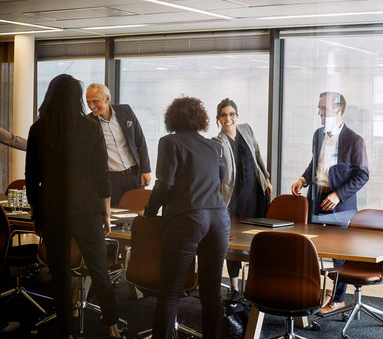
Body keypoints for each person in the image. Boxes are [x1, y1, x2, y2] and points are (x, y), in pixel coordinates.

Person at [25, 74, 124, 339]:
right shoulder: (90, 127)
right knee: (99, 270)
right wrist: (106, 213)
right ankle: (112, 328)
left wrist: (36, 213)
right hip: (87, 208)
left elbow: (32, 177)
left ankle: (66, 333)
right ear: (77, 97)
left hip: (52, 211)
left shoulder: (39, 129)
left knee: (59, 273)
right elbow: (101, 174)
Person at [144, 97, 229, 339]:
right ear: (200, 119)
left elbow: (164, 183)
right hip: (219, 218)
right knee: (211, 292)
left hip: (188, 218)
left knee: (170, 291)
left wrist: (150, 211)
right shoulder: (214, 146)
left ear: (171, 119)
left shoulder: (169, 142)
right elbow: (220, 177)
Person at [291, 91, 369, 314]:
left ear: (338, 110)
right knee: (309, 249)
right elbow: (315, 162)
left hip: (339, 205)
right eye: (319, 108)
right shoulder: (318, 135)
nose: (319, 113)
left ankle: (338, 298)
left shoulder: (355, 140)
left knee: (338, 254)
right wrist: (303, 179)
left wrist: (338, 195)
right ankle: (311, 292)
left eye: (323, 109)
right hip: (315, 200)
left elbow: (362, 175)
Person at [212, 98, 272, 302]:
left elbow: (257, 155)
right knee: (235, 242)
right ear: (218, 119)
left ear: (237, 116)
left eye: (231, 114)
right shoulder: (217, 142)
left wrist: (266, 177)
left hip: (256, 192)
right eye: (223, 115)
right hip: (234, 198)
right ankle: (235, 287)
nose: (228, 118)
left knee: (259, 239)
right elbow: (219, 174)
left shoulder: (246, 130)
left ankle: (258, 282)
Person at [85, 84, 151, 206]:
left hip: (134, 175)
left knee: (138, 213)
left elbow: (140, 140)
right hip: (110, 179)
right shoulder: (87, 123)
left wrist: (145, 170)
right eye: (88, 102)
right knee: (115, 218)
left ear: (107, 99)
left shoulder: (125, 110)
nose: (91, 106)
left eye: (95, 101)